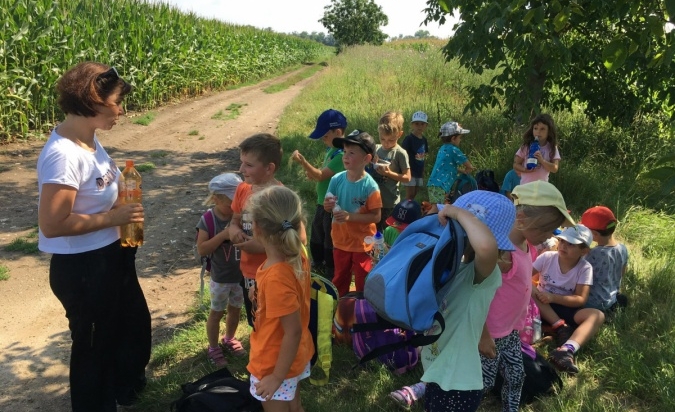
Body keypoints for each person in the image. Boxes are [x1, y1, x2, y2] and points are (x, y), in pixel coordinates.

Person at [390, 181, 574, 410]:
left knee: (512, 376)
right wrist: (457, 211)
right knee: (479, 381)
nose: (548, 237)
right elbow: (486, 264)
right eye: (545, 230)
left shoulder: (462, 265)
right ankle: (424, 386)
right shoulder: (488, 267)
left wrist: (454, 213)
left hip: (503, 333)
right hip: (480, 340)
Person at [37, 62, 151, 411]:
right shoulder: (63, 155)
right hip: (84, 268)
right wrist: (112, 217)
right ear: (95, 100)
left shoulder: (89, 141)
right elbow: (52, 225)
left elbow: (102, 188)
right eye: (117, 101)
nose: (121, 110)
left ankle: (126, 392)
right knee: (93, 348)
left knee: (133, 326)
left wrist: (122, 204)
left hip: (112, 255)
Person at [478, 181, 574, 411]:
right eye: (544, 230)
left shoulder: (527, 245)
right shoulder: (502, 255)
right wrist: (483, 336)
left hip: (510, 333)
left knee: (518, 377)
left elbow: (521, 287)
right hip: (490, 334)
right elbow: (477, 297)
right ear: (521, 219)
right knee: (484, 382)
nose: (547, 237)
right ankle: (452, 394)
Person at [421, 191, 516, 412]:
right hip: (439, 370)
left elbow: (485, 247)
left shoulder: (485, 273)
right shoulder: (460, 267)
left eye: (456, 226)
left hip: (457, 381)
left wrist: (456, 211)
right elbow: (471, 307)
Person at [245, 186, 314, 412]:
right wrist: (259, 294)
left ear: (256, 228)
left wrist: (276, 377)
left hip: (275, 360)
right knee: (295, 406)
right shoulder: (297, 253)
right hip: (295, 355)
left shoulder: (276, 277)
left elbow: (291, 331)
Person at [532, 224, 605, 374]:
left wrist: (553, 297)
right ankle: (559, 328)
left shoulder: (585, 268)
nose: (563, 246)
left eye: (571, 244)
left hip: (564, 306)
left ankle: (567, 349)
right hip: (540, 304)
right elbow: (523, 276)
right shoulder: (547, 257)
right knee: (530, 289)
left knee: (597, 315)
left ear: (584, 251)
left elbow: (580, 299)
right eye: (562, 241)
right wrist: (542, 294)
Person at [230, 133, 285, 327]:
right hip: (248, 272)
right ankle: (260, 349)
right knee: (256, 319)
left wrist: (261, 246)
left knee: (274, 321)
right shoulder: (242, 190)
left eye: (249, 165)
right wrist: (233, 230)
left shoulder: (280, 197)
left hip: (273, 272)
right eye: (241, 162)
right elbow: (235, 219)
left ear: (270, 168)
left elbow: (295, 238)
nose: (241, 169)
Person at [324, 130, 382, 297]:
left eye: (351, 153)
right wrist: (328, 205)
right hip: (340, 240)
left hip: (362, 244)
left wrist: (350, 216)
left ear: (367, 159)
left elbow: (376, 216)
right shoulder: (336, 179)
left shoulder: (370, 186)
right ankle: (340, 310)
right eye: (344, 152)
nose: (345, 156)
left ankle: (362, 312)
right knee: (340, 278)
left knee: (363, 281)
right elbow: (328, 207)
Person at [196, 173, 247, 367]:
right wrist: (224, 235)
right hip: (220, 278)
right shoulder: (208, 220)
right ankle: (213, 347)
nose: (235, 208)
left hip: (240, 276)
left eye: (238, 203)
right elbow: (202, 249)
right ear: (216, 198)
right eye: (230, 204)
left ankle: (230, 338)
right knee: (216, 313)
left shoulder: (243, 216)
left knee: (235, 310)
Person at [290, 109, 347, 279]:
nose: (323, 140)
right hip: (322, 202)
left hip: (332, 205)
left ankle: (331, 270)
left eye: (325, 136)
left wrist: (304, 163)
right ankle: (318, 263)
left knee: (329, 237)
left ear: (337, 132)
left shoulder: (342, 155)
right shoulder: (331, 150)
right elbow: (323, 173)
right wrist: (313, 173)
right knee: (317, 233)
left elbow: (321, 175)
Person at [580, 206, 629, 312]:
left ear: (595, 234)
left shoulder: (594, 253)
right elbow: (622, 272)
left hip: (592, 303)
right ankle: (615, 305)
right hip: (611, 297)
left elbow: (577, 272)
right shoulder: (623, 248)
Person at [371, 111, 411, 232]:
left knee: (387, 232)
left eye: (391, 140)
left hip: (389, 202)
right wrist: (370, 159)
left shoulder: (400, 153)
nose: (386, 143)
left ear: (400, 134)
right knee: (372, 231)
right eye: (382, 138)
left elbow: (407, 177)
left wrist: (389, 173)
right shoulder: (376, 149)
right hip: (373, 200)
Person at [426, 121, 476, 206]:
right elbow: (467, 163)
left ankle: (429, 217)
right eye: (460, 137)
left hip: (434, 184)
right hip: (441, 185)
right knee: (436, 209)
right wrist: (469, 168)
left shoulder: (442, 148)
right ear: (453, 138)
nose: (460, 140)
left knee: (438, 207)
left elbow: (447, 166)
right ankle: (426, 219)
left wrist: (462, 171)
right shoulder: (453, 149)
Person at [513, 114, 561, 184]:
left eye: (542, 129)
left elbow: (555, 168)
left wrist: (542, 161)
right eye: (535, 128)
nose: (538, 132)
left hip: (542, 188)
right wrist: (525, 170)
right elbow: (516, 164)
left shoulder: (551, 148)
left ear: (549, 131)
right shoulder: (527, 146)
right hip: (526, 186)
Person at [401, 111, 429, 201]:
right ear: (412, 125)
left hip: (419, 171)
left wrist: (423, 170)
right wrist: (403, 169)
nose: (419, 126)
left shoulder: (424, 140)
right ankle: (403, 211)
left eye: (422, 124)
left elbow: (424, 156)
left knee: (415, 194)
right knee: (410, 194)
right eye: (417, 124)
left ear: (426, 126)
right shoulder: (409, 139)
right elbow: (402, 154)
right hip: (410, 171)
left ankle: (410, 210)